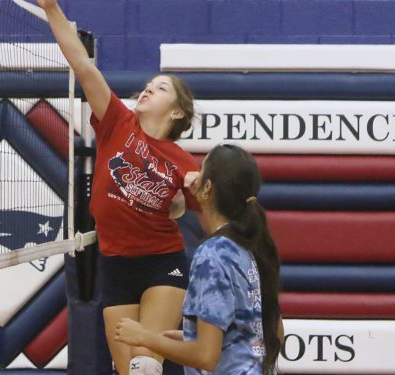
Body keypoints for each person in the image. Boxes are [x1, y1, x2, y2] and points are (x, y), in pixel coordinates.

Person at [37, 1, 201, 374]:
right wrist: (51, 9)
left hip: (162, 263)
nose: (146, 91)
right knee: (128, 370)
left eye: (159, 89)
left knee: (146, 364)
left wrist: (194, 191)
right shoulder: (116, 122)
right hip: (114, 264)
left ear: (176, 112)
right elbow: (82, 65)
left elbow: (210, 212)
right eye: (146, 86)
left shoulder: (183, 162)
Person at [115, 144, 284, 375]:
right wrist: (191, 336)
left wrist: (146, 337)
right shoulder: (252, 245)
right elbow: (272, 333)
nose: (192, 176)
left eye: (200, 170)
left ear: (207, 188)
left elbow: (206, 357)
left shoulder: (212, 255)